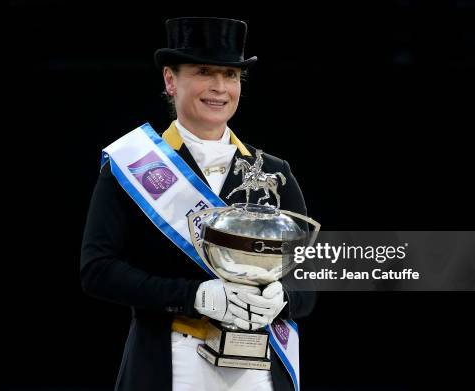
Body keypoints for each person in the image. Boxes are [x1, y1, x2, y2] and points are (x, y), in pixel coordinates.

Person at [81, 17, 316, 391]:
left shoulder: (275, 172)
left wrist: (283, 299)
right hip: (170, 361)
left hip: (260, 371)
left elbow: (312, 277)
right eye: (204, 71)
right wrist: (194, 296)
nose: (220, 88)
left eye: (231, 74)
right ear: (170, 80)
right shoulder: (132, 166)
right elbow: (98, 270)